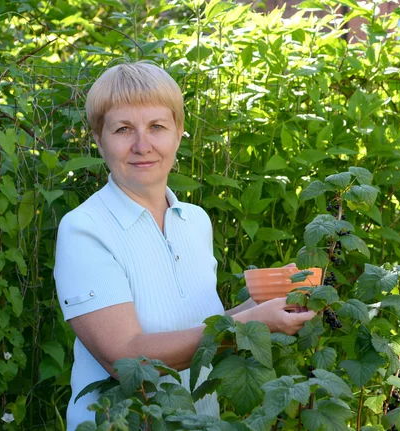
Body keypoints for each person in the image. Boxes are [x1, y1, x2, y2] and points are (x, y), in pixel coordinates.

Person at [53, 61, 316, 431]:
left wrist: (269, 303)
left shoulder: (194, 221)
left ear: (179, 132)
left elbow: (196, 326)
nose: (142, 145)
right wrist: (248, 323)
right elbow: (123, 358)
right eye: (123, 129)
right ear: (98, 138)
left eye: (157, 127)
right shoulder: (84, 229)